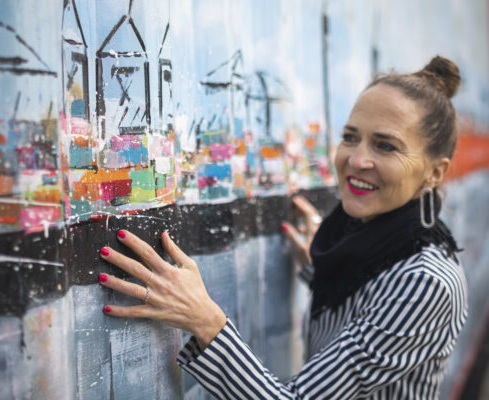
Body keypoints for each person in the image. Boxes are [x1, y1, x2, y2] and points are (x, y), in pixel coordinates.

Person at [97, 56, 468, 399]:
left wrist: (205, 319)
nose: (356, 160)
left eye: (386, 146)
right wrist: (319, 267)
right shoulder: (364, 245)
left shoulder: (425, 282)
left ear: (436, 172)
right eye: (351, 137)